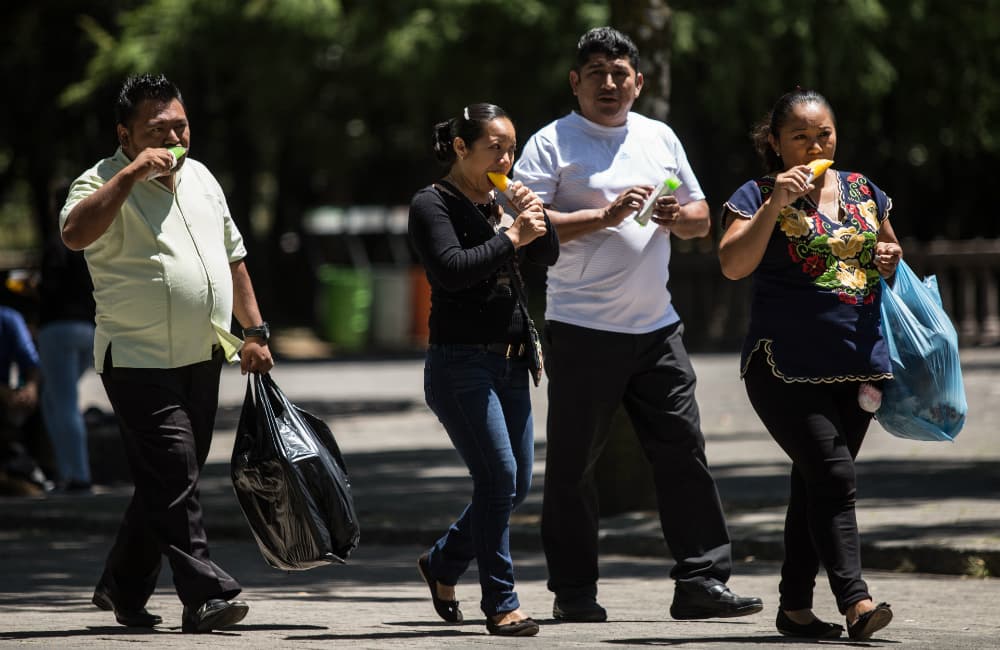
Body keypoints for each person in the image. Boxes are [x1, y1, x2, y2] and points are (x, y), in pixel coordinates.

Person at [513, 26, 763, 623]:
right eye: (596, 72)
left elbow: (701, 216)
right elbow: (525, 223)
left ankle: (701, 581)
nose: (609, 83)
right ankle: (574, 592)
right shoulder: (551, 143)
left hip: (657, 329)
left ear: (639, 82)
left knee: (684, 453)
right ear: (575, 82)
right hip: (581, 327)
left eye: (619, 73)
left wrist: (679, 218)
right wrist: (603, 215)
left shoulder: (659, 136)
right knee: (574, 465)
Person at [60, 73, 274, 633]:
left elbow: (234, 258)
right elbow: (74, 234)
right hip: (137, 358)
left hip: (203, 353)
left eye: (180, 126)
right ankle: (205, 595)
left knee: (171, 477)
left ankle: (122, 584)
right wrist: (131, 175)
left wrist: (254, 332)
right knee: (175, 470)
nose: (173, 139)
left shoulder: (201, 177)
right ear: (125, 135)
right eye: (158, 130)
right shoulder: (99, 181)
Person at [718, 88, 900, 641]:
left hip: (859, 365)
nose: (814, 146)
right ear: (775, 143)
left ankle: (795, 608)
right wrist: (776, 202)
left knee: (816, 482)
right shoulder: (755, 194)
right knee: (834, 475)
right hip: (784, 366)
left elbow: (889, 256)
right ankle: (856, 601)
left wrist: (890, 258)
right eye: (799, 137)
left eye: (824, 134)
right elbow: (732, 264)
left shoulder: (865, 190)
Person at [408, 103, 558, 637]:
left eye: (511, 149)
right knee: (497, 478)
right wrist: (511, 236)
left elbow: (548, 255)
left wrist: (533, 214)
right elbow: (451, 271)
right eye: (495, 147)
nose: (505, 159)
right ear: (461, 147)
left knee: (513, 487)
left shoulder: (500, 201)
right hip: (461, 363)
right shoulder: (432, 203)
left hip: (512, 362)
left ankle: (443, 563)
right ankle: (501, 602)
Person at [38, 183, 97, 493]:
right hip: (87, 329)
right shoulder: (92, 242)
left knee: (63, 403)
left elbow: (50, 289)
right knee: (53, 399)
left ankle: (78, 476)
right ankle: (67, 471)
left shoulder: (56, 243)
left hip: (58, 329)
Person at [0, 305, 46, 495]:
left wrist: (31, 388)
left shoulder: (8, 318)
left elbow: (30, 360)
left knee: (44, 404)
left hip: (6, 393)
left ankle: (40, 472)